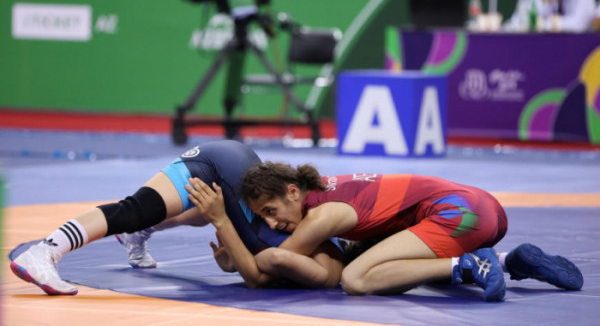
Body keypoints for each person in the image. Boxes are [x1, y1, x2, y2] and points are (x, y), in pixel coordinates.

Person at [187, 162, 584, 301]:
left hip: (460, 215)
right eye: (264, 218)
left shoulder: (321, 217)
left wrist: (223, 224)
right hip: (482, 208)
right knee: (392, 266)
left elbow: (266, 269)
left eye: (271, 212)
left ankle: (465, 266)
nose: (272, 224)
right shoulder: (325, 188)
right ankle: (508, 261)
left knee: (358, 279)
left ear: (294, 192)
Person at [9, 140, 344, 295]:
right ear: (293, 192)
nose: (275, 223)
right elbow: (255, 275)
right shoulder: (312, 224)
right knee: (134, 210)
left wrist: (231, 251)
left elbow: (244, 264)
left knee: (201, 212)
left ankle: (139, 234)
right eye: (271, 214)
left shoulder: (304, 219)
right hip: (212, 162)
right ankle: (46, 250)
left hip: (238, 167)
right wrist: (226, 229)